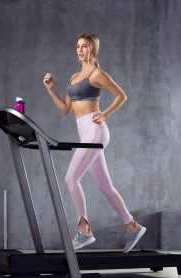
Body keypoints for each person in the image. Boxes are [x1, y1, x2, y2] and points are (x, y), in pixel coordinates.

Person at [42, 32, 146, 252]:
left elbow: (121, 95)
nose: (80, 50)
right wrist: (51, 89)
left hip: (96, 130)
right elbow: (64, 110)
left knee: (71, 178)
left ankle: (84, 230)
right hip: (84, 132)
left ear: (93, 50)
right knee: (105, 186)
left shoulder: (97, 74)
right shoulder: (73, 77)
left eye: (85, 46)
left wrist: (105, 114)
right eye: (78, 46)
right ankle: (132, 225)